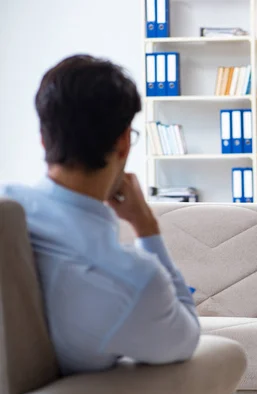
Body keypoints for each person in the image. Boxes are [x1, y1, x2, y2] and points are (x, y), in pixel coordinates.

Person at [0, 55, 200, 375]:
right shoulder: (133, 281)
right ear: (123, 143)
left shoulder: (7, 203)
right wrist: (146, 227)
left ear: (43, 137)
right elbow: (187, 336)